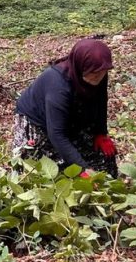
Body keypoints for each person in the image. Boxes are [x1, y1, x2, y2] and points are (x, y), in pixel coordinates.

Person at [12, 38, 118, 177]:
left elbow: (100, 100)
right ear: (81, 66)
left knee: (103, 161)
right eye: (93, 72)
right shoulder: (58, 85)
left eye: (102, 71)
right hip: (38, 123)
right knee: (48, 173)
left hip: (72, 118)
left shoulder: (98, 71)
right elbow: (56, 134)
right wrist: (81, 169)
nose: (98, 77)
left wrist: (100, 132)